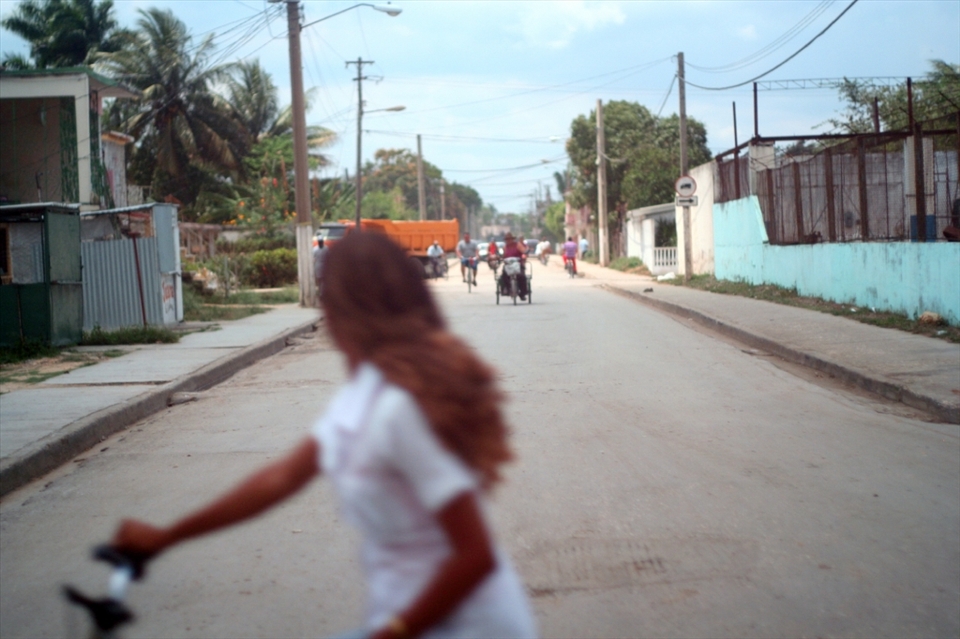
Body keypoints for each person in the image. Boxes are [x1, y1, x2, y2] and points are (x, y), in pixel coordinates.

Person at [109, 232, 537, 639]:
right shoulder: (362, 396)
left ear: (339, 310)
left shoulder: (396, 409)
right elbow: (280, 478)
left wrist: (397, 630)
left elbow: (475, 554)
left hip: (464, 626)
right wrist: (166, 536)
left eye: (325, 294)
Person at [498, 233, 529, 300]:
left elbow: (524, 251)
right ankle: (508, 289)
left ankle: (522, 293)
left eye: (509, 239)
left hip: (518, 264)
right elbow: (503, 256)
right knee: (503, 276)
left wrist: (525, 254)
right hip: (508, 265)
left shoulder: (518, 245)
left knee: (521, 276)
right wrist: (500, 258)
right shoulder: (505, 247)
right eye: (507, 239)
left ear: (512, 239)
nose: (508, 241)